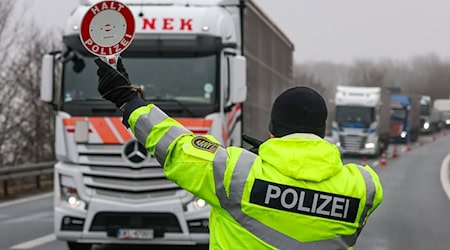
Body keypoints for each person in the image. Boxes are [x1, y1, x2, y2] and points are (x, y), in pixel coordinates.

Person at [94, 57, 383, 250]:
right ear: (321, 131)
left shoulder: (234, 173)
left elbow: (176, 145)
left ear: (272, 130)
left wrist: (127, 99)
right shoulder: (363, 188)